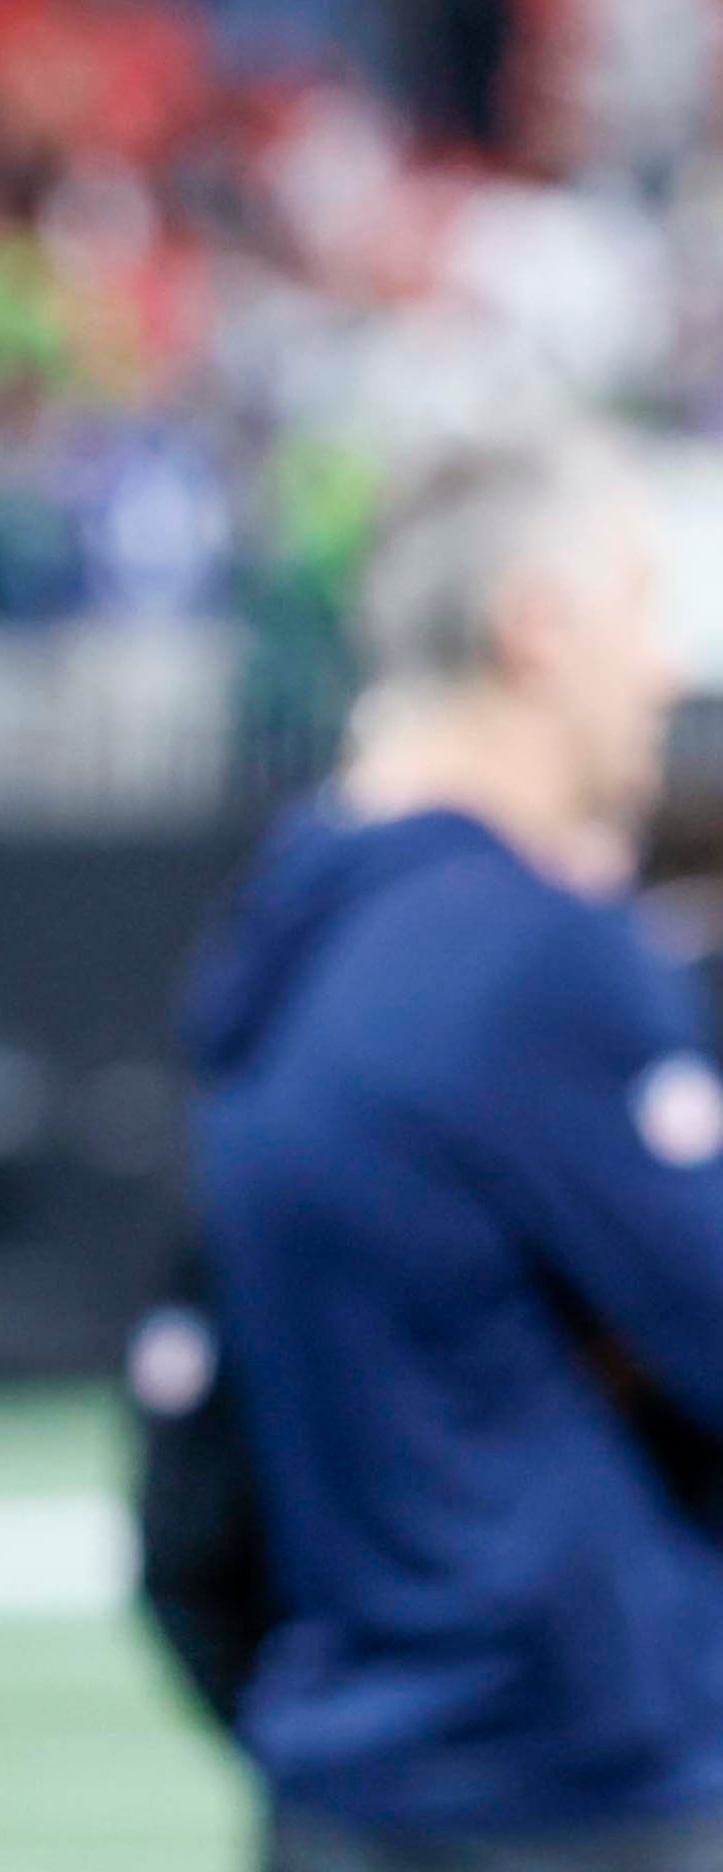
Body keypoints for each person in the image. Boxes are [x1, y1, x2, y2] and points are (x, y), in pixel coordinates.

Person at [179, 431, 722, 1870]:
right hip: (575, 1786)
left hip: (351, 1772)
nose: (666, 671)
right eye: (639, 606)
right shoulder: (532, 955)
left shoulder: (284, 933)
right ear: (533, 626)